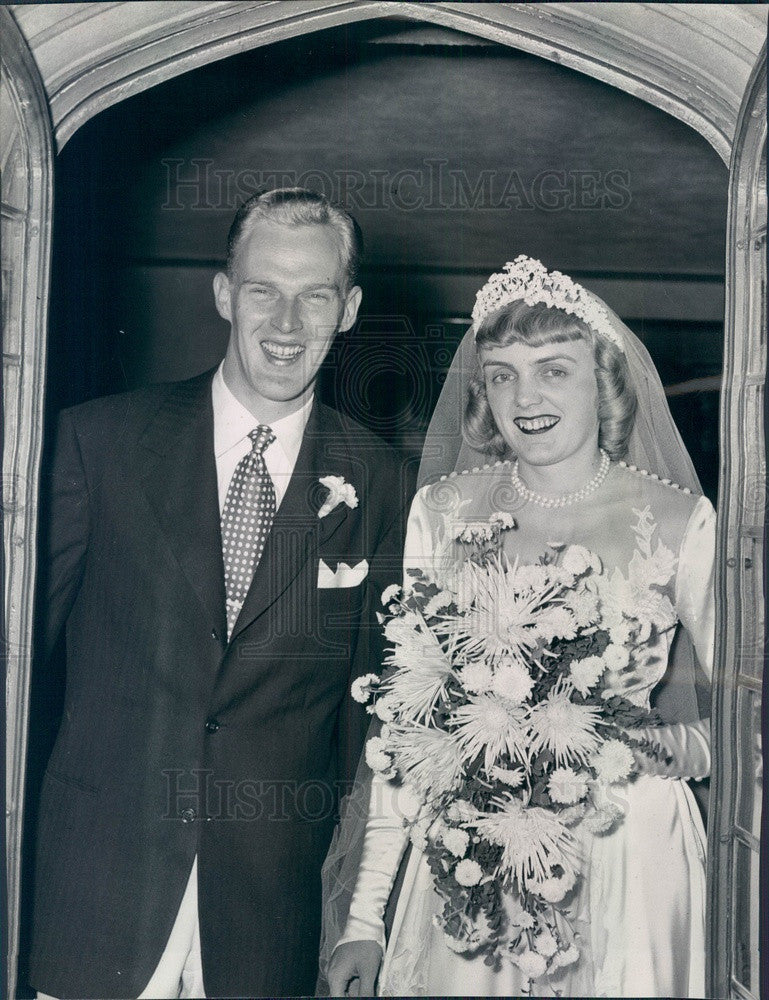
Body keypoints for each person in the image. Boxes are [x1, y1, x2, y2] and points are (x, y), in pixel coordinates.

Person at [29, 187, 411, 999]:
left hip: (264, 914)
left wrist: (361, 912)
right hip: (93, 890)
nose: (285, 322)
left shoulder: (381, 481)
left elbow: (376, 717)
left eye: (314, 296)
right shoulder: (97, 443)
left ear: (348, 311)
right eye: (264, 289)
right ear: (222, 293)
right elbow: (19, 666)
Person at [323, 256, 714, 998]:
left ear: (601, 381)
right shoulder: (442, 511)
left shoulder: (677, 520)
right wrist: (365, 918)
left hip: (633, 850)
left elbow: (748, 708)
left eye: (552, 370)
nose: (523, 396)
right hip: (473, 855)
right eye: (500, 373)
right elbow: (410, 731)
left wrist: (676, 747)